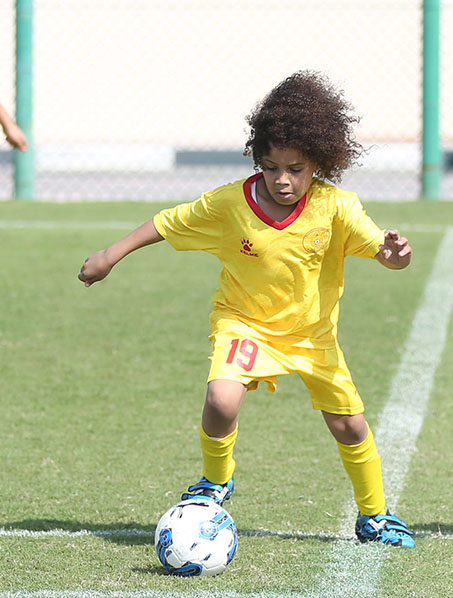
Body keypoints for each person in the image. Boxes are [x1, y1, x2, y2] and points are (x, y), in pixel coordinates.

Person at [78, 71, 416, 548]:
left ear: (319, 162)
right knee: (221, 400)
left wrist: (396, 256)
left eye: (296, 168)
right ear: (258, 159)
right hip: (244, 323)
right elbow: (167, 222)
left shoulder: (337, 207)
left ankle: (375, 516)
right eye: (272, 167)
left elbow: (381, 249)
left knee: (349, 424)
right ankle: (216, 481)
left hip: (312, 336)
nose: (283, 179)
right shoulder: (230, 204)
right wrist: (109, 256)